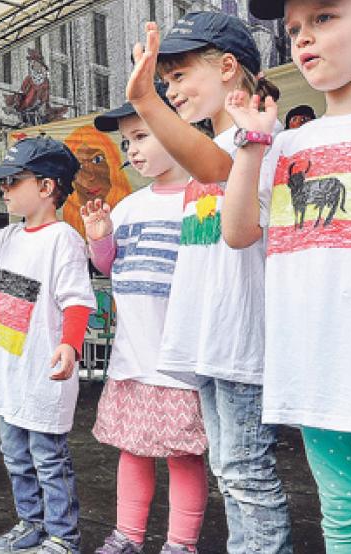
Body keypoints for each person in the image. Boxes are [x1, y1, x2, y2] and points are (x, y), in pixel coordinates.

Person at [126, 11, 292, 552]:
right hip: (212, 338)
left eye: (178, 75)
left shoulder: (259, 137)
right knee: (230, 470)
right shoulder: (222, 141)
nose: (170, 89)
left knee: (245, 472)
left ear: (227, 67)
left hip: (244, 340)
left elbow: (219, 169)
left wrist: (146, 101)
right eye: (164, 80)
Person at [223, 1, 351, 550]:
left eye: (324, 18)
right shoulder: (286, 145)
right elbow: (238, 231)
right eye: (293, 29)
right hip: (318, 372)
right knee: (343, 515)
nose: (302, 38)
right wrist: (252, 145)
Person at [0, 138, 94, 554]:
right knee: (15, 455)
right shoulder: (7, 238)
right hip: (8, 372)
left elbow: (78, 299)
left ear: (46, 187)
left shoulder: (63, 239)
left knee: (48, 457)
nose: (4, 190)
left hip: (41, 370)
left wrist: (69, 344)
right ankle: (30, 523)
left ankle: (62, 535)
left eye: (13, 181)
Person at [84, 95, 209, 554]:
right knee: (131, 450)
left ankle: (181, 543)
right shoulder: (128, 206)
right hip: (132, 358)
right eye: (126, 141)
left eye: (142, 136)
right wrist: (100, 240)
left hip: (180, 361)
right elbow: (108, 266)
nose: (131, 150)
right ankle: (128, 536)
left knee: (183, 456)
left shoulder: (203, 197)